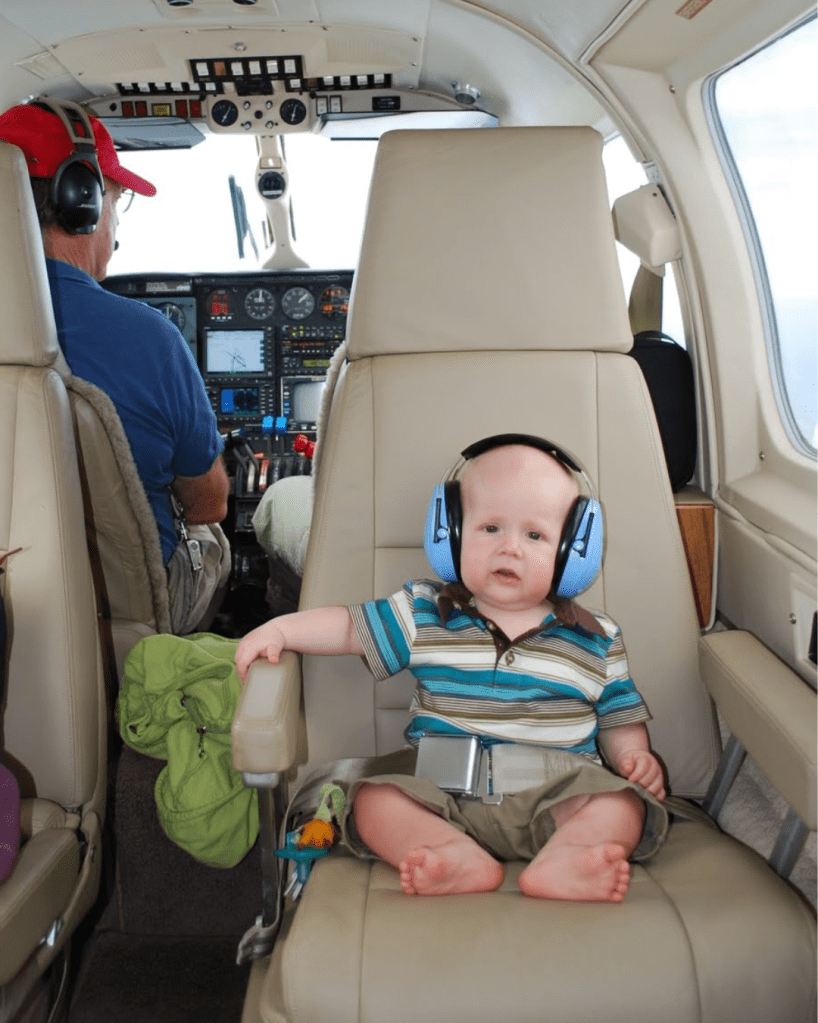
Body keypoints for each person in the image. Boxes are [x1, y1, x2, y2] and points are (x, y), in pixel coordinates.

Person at [235, 440, 668, 903]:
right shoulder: (424, 612)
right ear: (452, 535)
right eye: (490, 527)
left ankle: (570, 857)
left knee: (621, 804)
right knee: (372, 801)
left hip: (558, 800)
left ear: (572, 552)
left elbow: (621, 719)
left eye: (535, 536)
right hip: (441, 796)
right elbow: (347, 629)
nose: (509, 548)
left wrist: (634, 761)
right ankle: (447, 853)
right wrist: (281, 629)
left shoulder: (596, 637)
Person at [0, 100, 229, 634]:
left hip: (15, 612)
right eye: (116, 201)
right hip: (123, 620)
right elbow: (208, 504)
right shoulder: (149, 337)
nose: (115, 223)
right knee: (212, 537)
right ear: (81, 202)